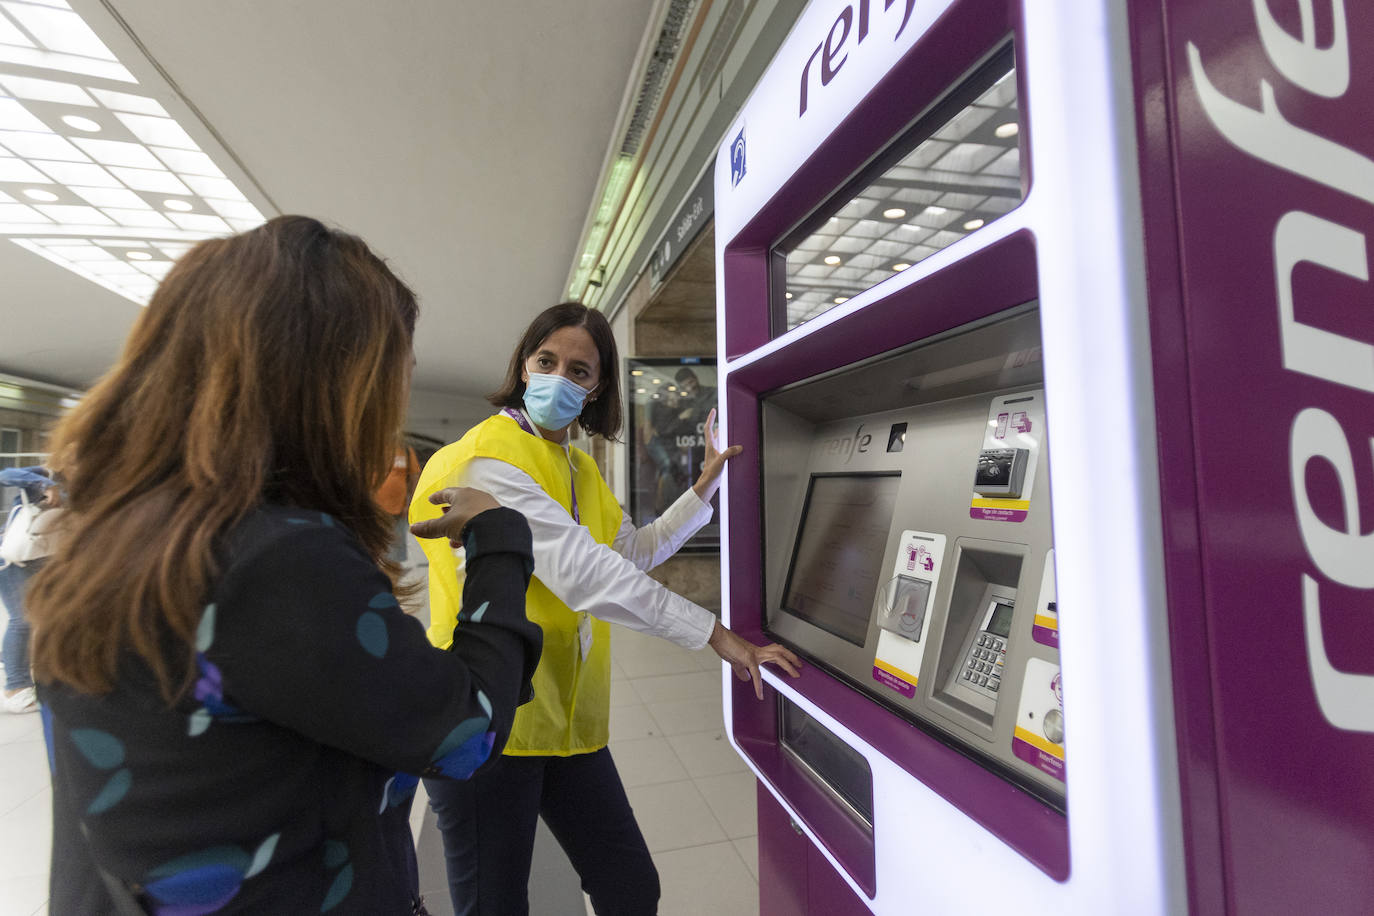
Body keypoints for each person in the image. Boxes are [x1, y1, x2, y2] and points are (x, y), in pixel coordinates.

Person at [26, 216, 543, 915]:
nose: (393, 405)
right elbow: (465, 733)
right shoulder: (275, 559)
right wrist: (499, 538)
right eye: (393, 374)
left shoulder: (104, 541)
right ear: (326, 381)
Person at [411, 301, 802, 916]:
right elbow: (585, 575)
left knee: (629, 886)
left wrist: (704, 486)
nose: (560, 379)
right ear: (522, 365)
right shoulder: (489, 459)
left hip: (565, 723)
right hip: (486, 724)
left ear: (598, 390)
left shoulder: (579, 469)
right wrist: (718, 636)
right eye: (547, 361)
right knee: (495, 905)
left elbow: (632, 551)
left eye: (580, 371)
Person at [0, 464, 60, 714]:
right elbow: (4, 475)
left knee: (42, 620)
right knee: (22, 620)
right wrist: (46, 483)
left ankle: (15, 662)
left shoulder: (85, 483)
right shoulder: (44, 475)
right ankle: (14, 687)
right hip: (15, 561)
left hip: (45, 560)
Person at [375, 442, 421, 564]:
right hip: (375, 510)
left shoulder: (405, 450)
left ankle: (392, 581)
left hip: (399, 509)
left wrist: (410, 503)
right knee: (375, 549)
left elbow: (414, 476)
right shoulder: (373, 448)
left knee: (395, 551)